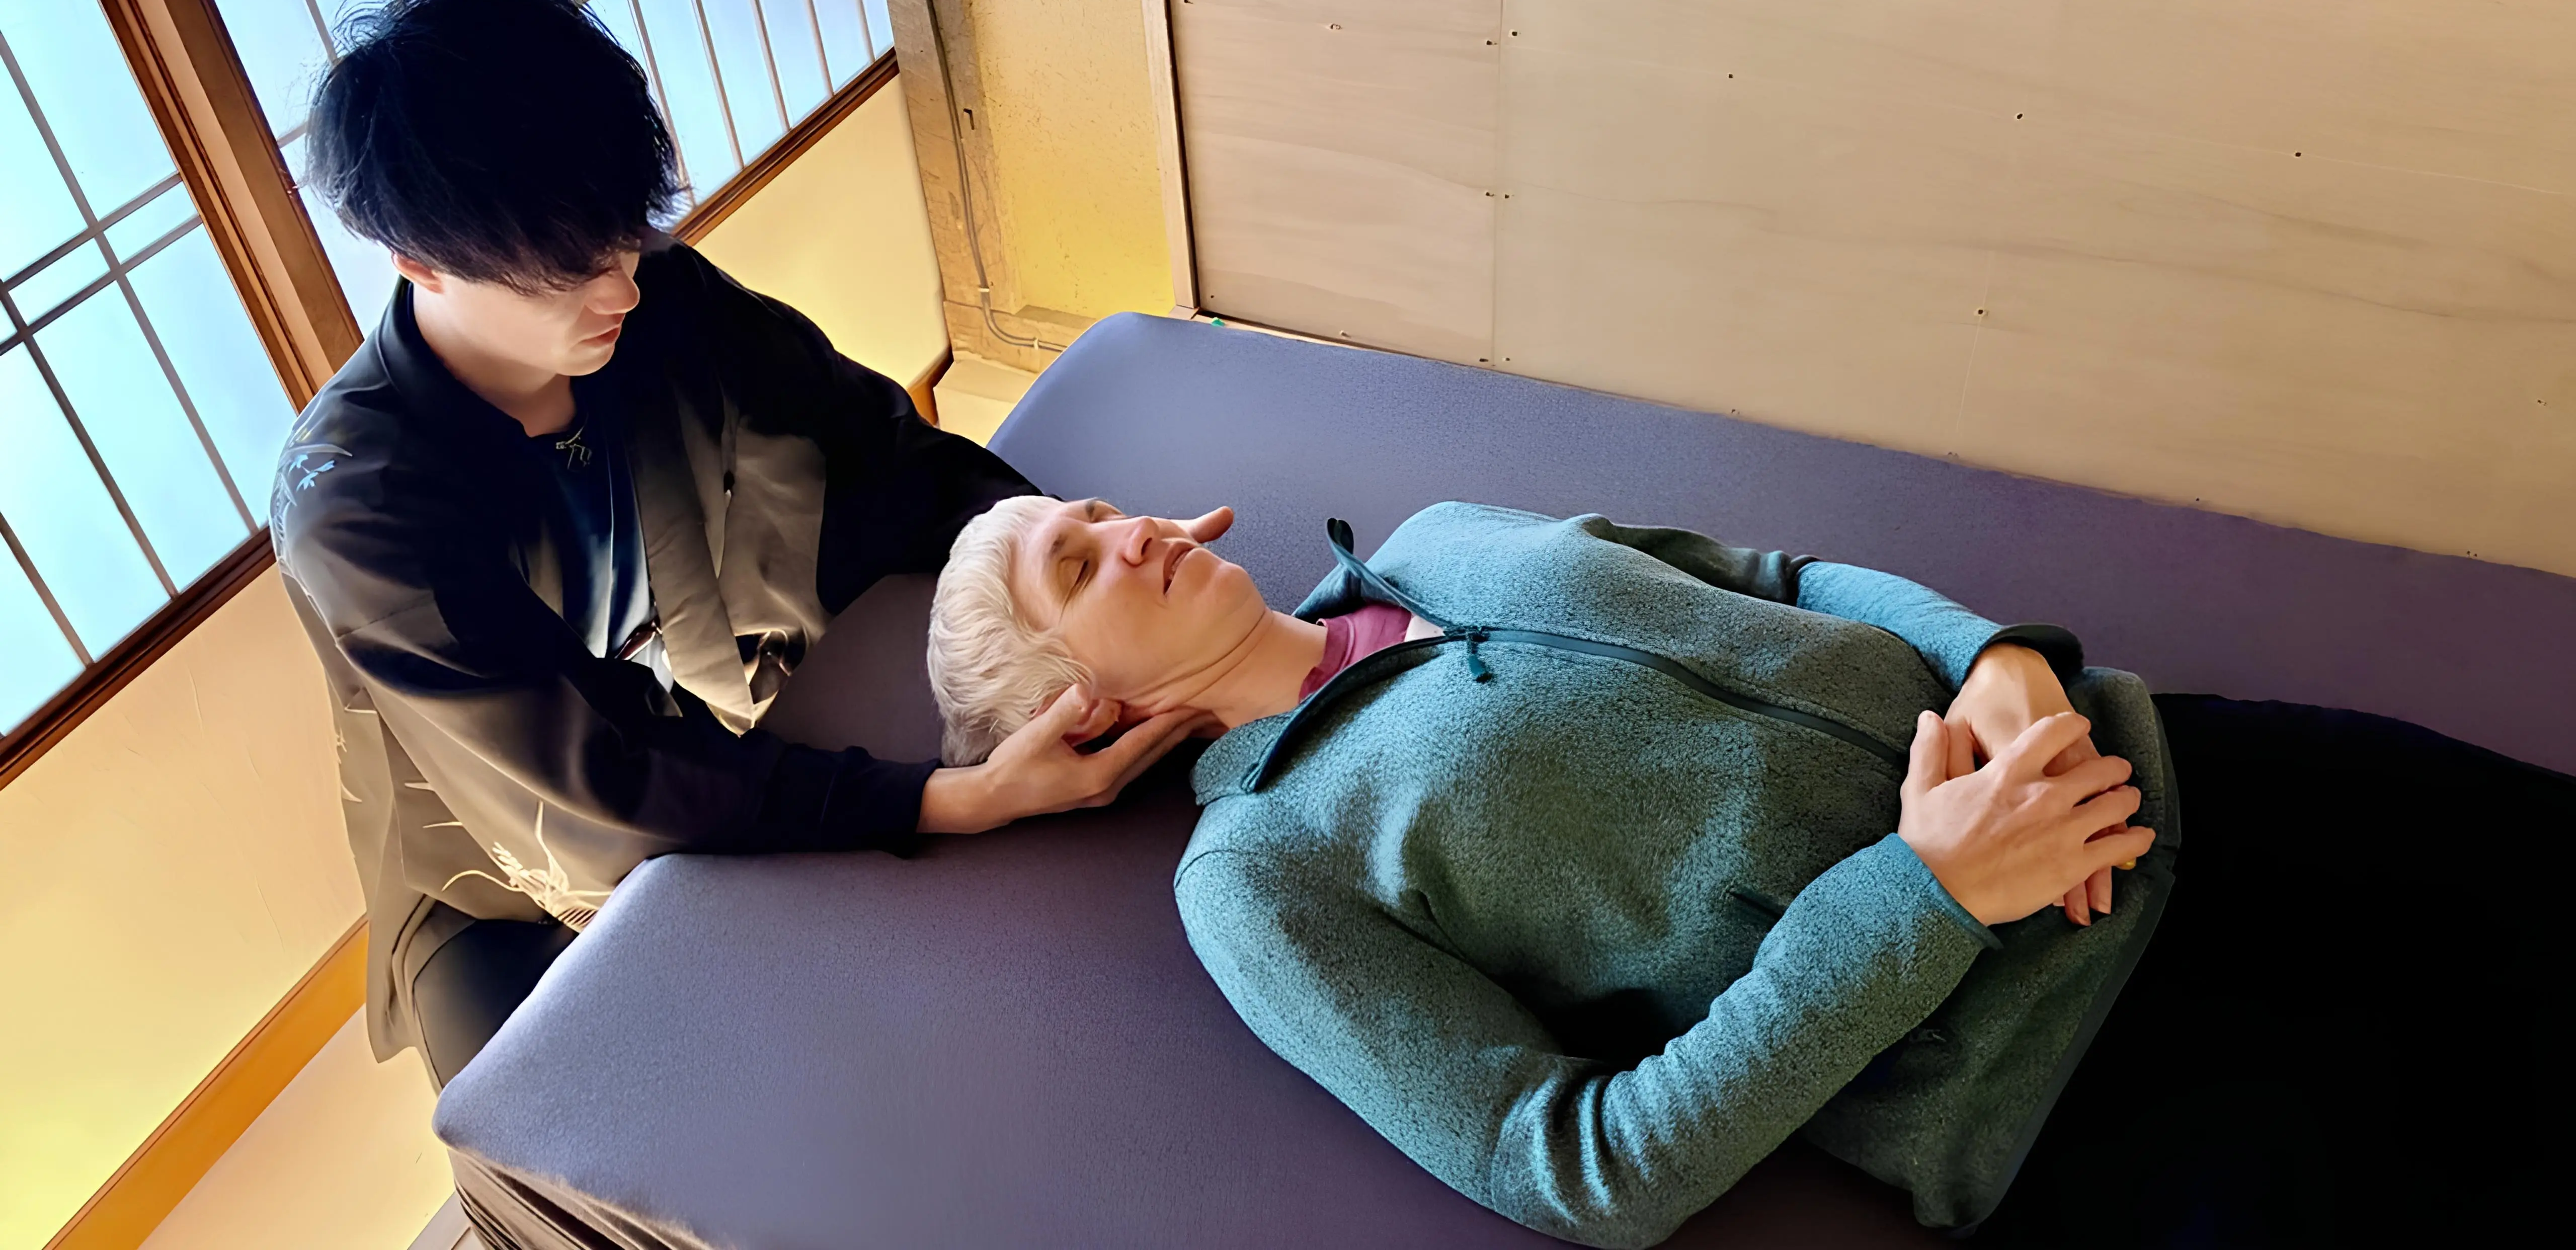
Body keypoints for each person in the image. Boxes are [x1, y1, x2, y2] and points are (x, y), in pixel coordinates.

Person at [927, 495, 2575, 1248]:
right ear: (1096, 702)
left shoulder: (1437, 536)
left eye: (1091, 508)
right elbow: (1573, 1168)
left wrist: (1998, 657)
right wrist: (1926, 895)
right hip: (2075, 1068)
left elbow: (1774, 572)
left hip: (2153, 767)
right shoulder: (1258, 868)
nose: (1130, 526)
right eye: (1080, 563)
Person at [272, 0, 1202, 1091]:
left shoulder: (650, 291)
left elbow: (878, 449)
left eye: (624, 236)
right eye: (568, 268)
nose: (618, 284)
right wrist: (952, 799)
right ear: (416, 262)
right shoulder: (355, 500)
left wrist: (1071, 572)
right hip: (495, 856)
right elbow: (589, 779)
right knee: (544, 1127)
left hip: (701, 698)